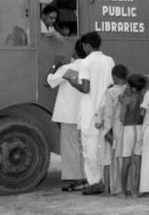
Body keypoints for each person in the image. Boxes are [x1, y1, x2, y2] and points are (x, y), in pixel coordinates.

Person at [66, 31, 115, 195]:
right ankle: (106, 181)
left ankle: (95, 182)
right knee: (104, 148)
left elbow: (86, 88)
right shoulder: (109, 60)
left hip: (90, 113)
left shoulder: (85, 63)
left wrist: (74, 83)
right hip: (106, 109)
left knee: (89, 149)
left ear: (86, 45)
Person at [47, 40, 86, 192]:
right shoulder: (88, 67)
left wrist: (55, 65)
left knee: (71, 149)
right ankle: (87, 177)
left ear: (75, 53)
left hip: (69, 115)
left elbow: (50, 81)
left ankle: (78, 180)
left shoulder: (68, 68)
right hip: (84, 114)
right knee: (84, 147)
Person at [95, 64, 128, 195]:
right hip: (129, 128)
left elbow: (108, 114)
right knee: (126, 157)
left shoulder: (110, 92)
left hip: (114, 128)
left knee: (110, 160)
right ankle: (128, 187)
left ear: (114, 77)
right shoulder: (130, 89)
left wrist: (107, 132)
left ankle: (113, 188)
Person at [119, 74, 147, 198]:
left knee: (126, 160)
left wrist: (122, 102)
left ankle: (123, 191)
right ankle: (135, 191)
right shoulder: (143, 97)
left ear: (133, 88)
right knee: (137, 160)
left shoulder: (128, 99)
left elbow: (121, 117)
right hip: (139, 128)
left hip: (129, 129)